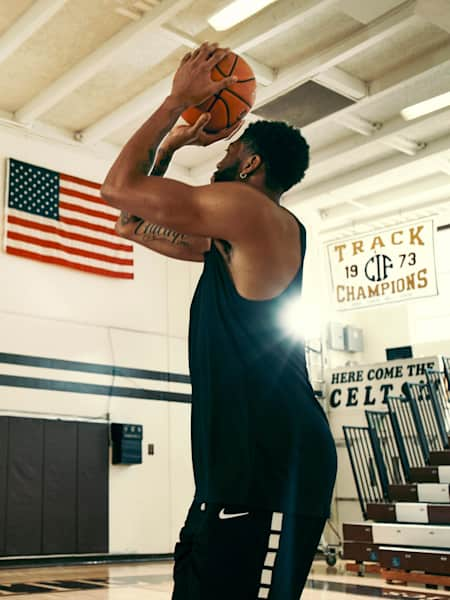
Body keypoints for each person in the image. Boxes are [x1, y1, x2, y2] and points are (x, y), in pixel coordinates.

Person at [102, 41, 337, 600]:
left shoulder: (254, 211)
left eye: (230, 153)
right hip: (238, 471)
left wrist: (174, 102)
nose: (219, 156)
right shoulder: (232, 239)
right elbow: (130, 222)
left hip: (274, 469)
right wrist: (176, 142)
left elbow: (116, 187)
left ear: (251, 165)